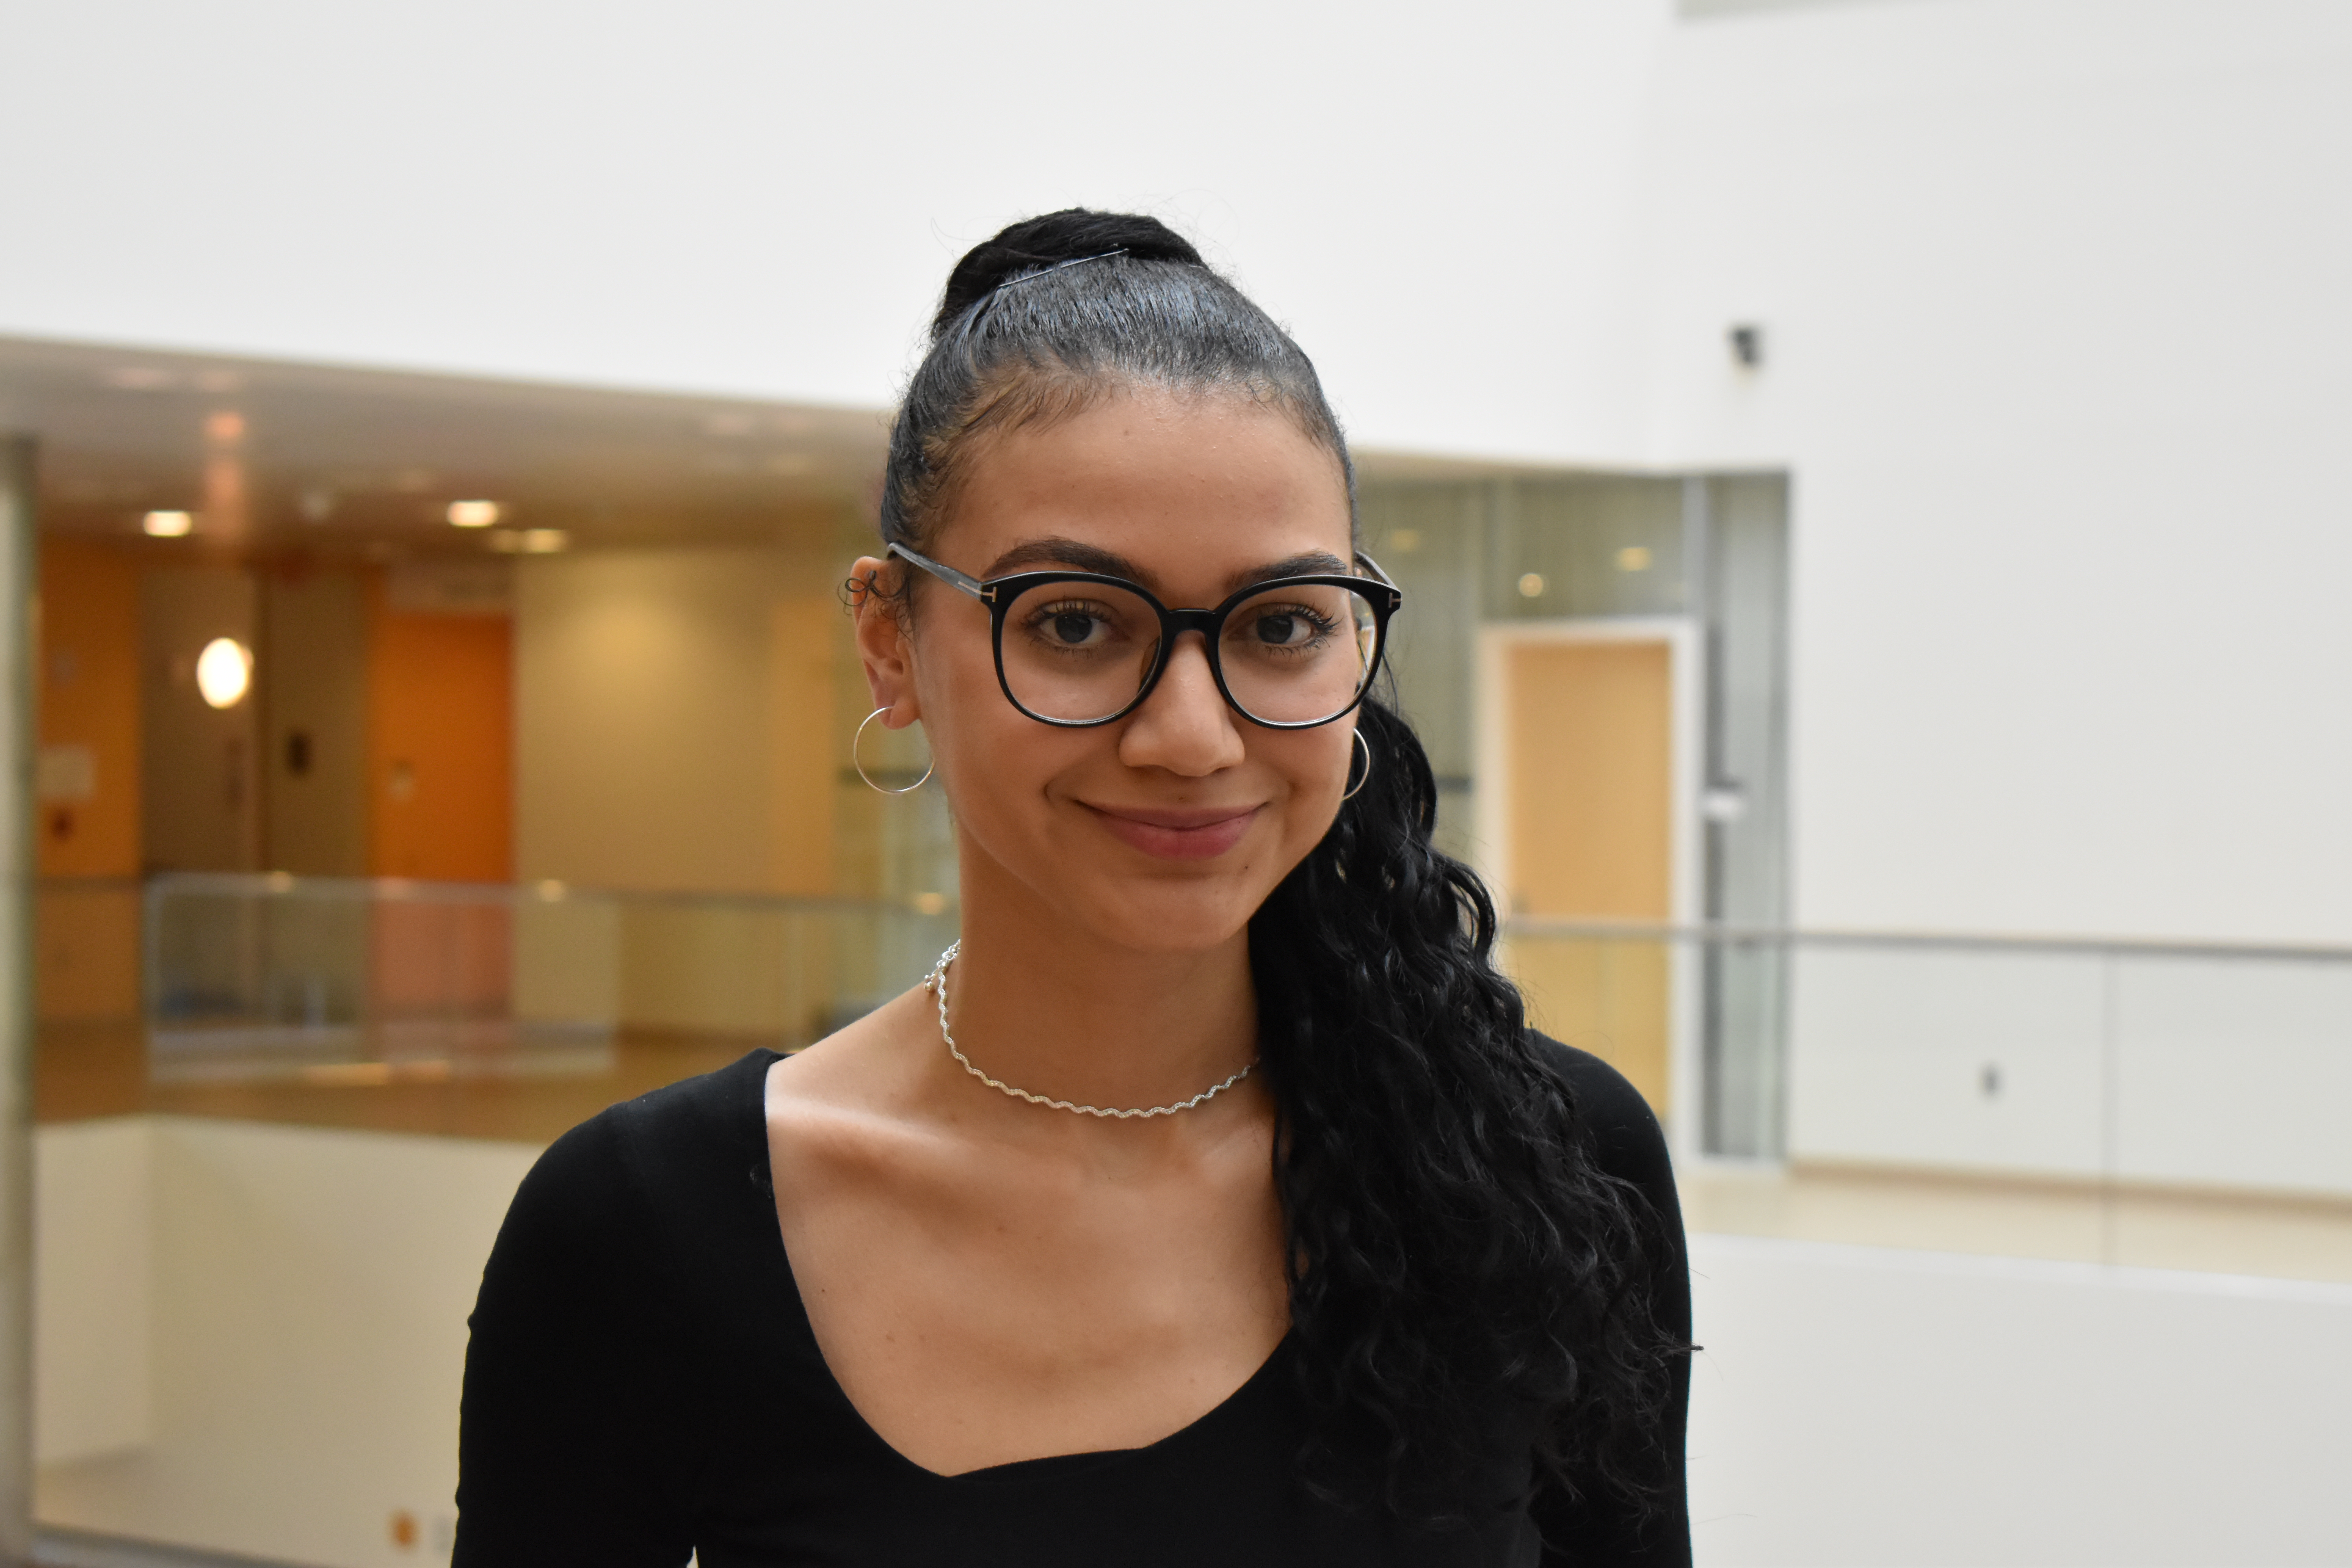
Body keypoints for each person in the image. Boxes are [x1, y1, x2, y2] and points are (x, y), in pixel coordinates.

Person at [454, 209, 1690, 1566]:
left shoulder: (1544, 1164)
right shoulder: (646, 1233)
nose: (1192, 738)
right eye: (1077, 624)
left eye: (1281, 626)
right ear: (890, 642)